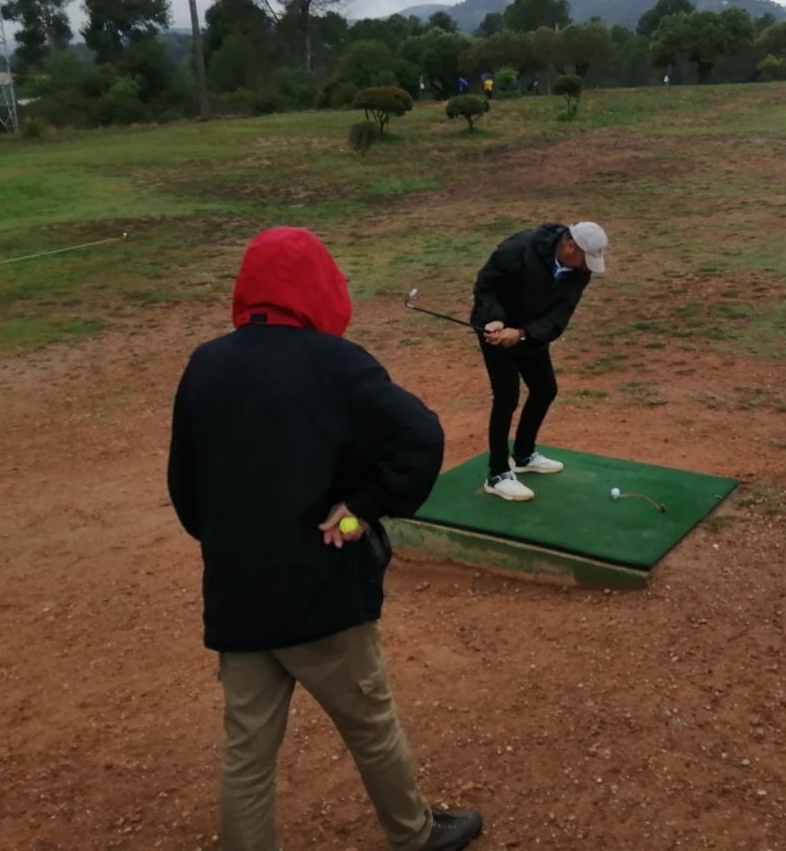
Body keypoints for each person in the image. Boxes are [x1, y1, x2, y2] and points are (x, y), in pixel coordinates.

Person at [168, 227, 483, 851]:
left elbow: (185, 486)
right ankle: (414, 835)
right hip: (323, 588)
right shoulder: (338, 363)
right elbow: (420, 437)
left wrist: (234, 542)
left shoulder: (206, 364)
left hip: (238, 594)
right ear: (319, 285)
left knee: (246, 756)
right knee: (370, 727)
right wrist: (360, 509)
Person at [470, 221, 609, 501]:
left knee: (545, 389)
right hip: (496, 330)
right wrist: (494, 319)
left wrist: (523, 334)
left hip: (529, 333)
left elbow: (559, 317)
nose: (588, 267)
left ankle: (523, 455)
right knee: (507, 396)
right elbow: (486, 285)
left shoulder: (580, 272)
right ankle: (497, 474)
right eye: (586, 258)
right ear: (570, 246)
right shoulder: (519, 248)